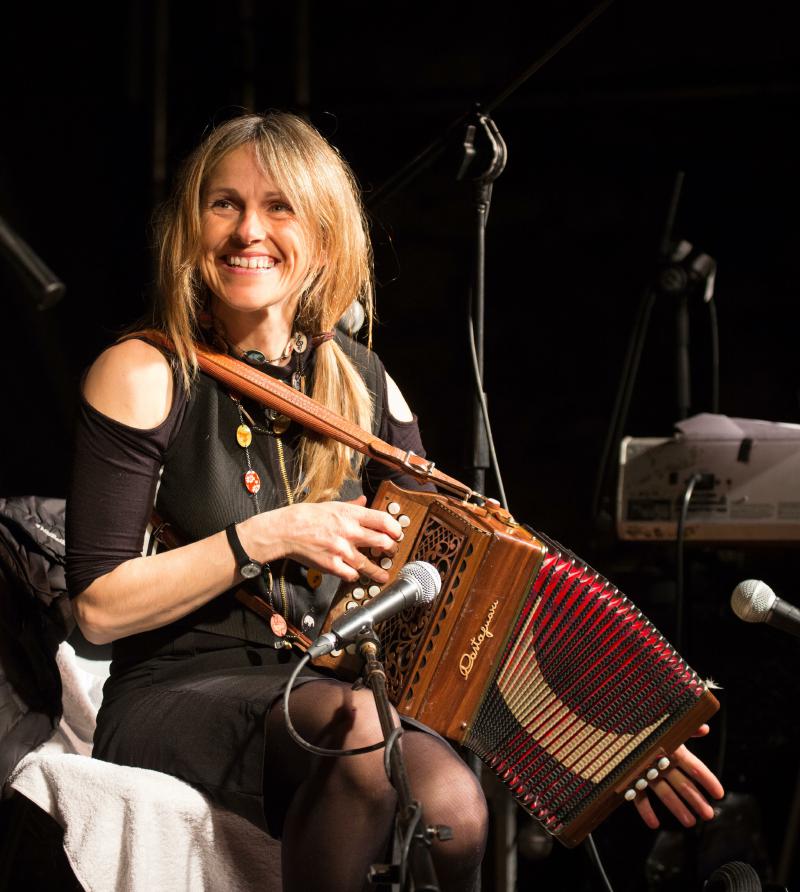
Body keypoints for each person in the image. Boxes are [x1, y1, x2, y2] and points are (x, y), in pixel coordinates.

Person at [66, 111, 723, 892]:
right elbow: (99, 609)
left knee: (455, 808)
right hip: (177, 693)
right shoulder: (145, 370)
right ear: (190, 225)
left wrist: (614, 731)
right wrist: (266, 536)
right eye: (224, 204)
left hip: (333, 694)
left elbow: (477, 578)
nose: (249, 230)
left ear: (323, 233)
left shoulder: (363, 383)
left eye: (279, 207)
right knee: (363, 737)